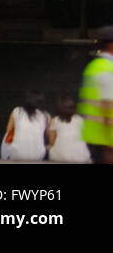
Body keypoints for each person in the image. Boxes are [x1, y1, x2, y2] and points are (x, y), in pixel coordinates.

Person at [78, 25, 113, 164]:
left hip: (94, 136)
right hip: (106, 141)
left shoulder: (93, 67)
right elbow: (108, 106)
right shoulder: (107, 69)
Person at [3, 92, 48, 161]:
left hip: (17, 154)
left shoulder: (17, 111)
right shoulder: (45, 116)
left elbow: (8, 130)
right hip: (38, 155)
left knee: (8, 138)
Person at [47, 95, 90, 163]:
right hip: (81, 156)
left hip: (59, 157)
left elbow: (51, 142)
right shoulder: (80, 120)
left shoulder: (55, 120)